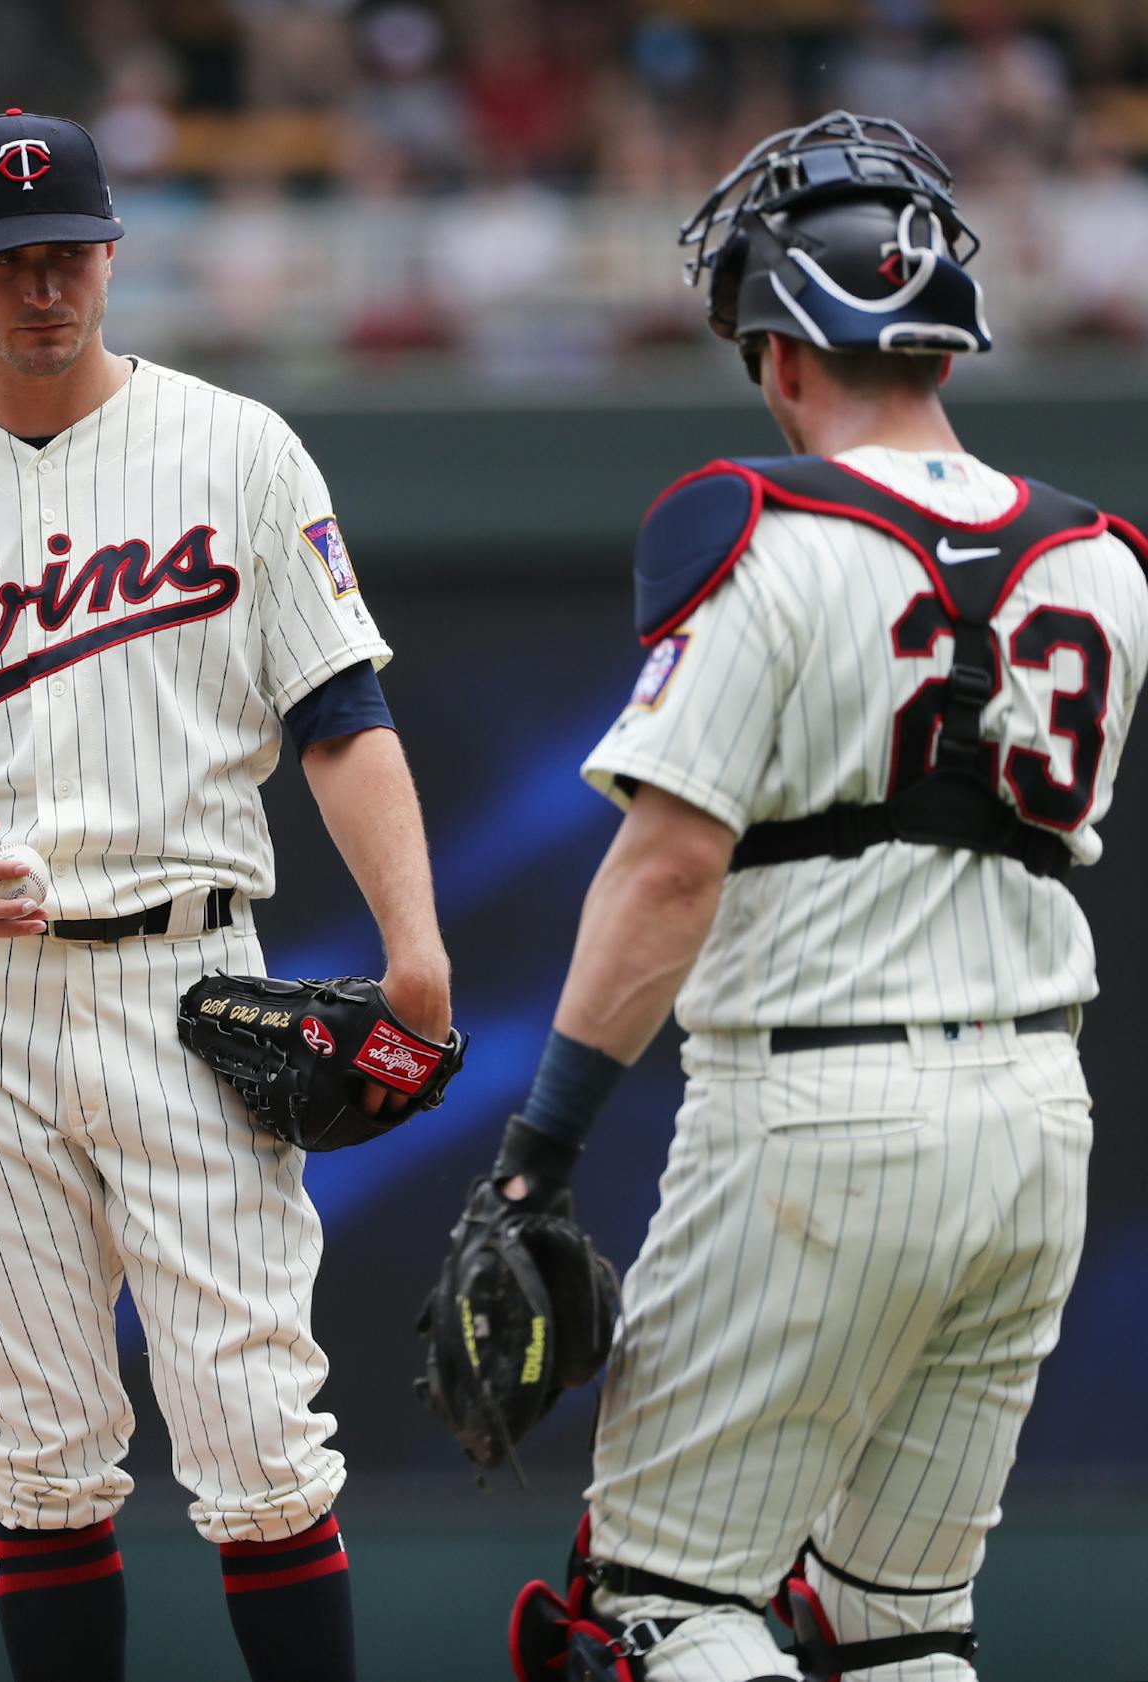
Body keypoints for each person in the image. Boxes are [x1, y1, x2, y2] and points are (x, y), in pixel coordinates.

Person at [0, 109, 455, 1682]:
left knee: (259, 1431)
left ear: (115, 252)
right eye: (8, 261)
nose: (42, 286)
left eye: (67, 252)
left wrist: (414, 945)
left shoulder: (240, 448)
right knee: (36, 1445)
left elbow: (343, 716)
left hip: (186, 981)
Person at [484, 113, 1148, 1681]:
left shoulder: (757, 525)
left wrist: (535, 1157)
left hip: (818, 1114)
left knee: (655, 1605)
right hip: (1035, 1128)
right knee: (896, 1622)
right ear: (944, 337)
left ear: (778, 353)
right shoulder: (1109, 559)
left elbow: (669, 866)